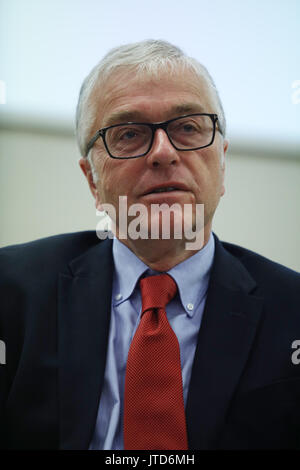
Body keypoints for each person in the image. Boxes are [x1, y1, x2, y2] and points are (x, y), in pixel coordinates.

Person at [0, 39, 300, 451]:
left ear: (223, 163)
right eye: (129, 133)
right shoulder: (10, 293)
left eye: (188, 128)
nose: (163, 153)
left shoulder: (293, 310)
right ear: (92, 180)